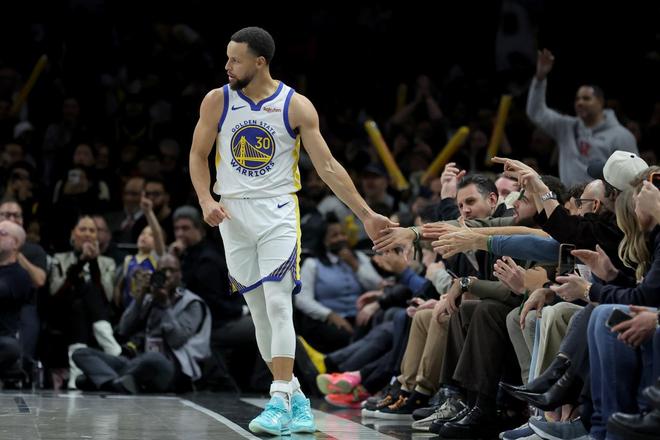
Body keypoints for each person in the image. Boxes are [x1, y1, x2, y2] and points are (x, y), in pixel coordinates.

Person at [189, 26, 395, 435]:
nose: (227, 66)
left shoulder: (295, 106)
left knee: (280, 304)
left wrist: (366, 214)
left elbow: (328, 167)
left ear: (260, 62)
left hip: (277, 212)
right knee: (259, 314)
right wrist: (206, 201)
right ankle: (296, 397)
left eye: (235, 60)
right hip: (232, 214)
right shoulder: (217, 101)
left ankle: (278, 399)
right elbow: (197, 155)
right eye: (228, 58)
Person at [72, 254, 211, 394]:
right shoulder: (149, 298)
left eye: (172, 270)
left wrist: (165, 305)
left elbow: (176, 340)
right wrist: (140, 296)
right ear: (156, 274)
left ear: (180, 274)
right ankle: (117, 382)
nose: (168, 275)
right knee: (80, 353)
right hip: (136, 360)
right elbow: (123, 329)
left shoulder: (192, 303)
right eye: (163, 271)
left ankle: (111, 379)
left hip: (169, 366)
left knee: (152, 357)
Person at [526, 49, 637, 186]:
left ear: (600, 102)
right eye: (577, 99)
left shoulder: (622, 136)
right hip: (569, 197)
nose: (580, 103)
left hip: (603, 199)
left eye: (586, 98)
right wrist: (540, 78)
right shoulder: (565, 127)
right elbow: (536, 112)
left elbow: (633, 177)